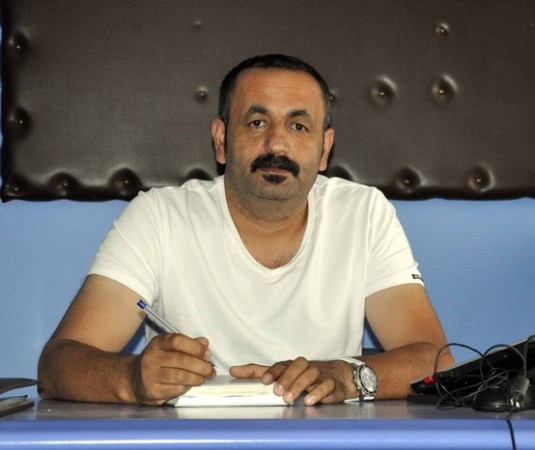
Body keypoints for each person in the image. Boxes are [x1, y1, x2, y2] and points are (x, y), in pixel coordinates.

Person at [38, 54, 454, 407]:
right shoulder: (158, 217)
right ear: (222, 140)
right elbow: (58, 364)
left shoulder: (363, 213)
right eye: (256, 123)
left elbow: (434, 359)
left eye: (298, 126)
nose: (276, 145)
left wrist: (346, 376)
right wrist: (132, 379)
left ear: (324, 149)